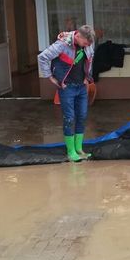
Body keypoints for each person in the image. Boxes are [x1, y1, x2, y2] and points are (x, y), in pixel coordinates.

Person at [38, 24, 96, 162]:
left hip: (81, 86)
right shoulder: (62, 44)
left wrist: (87, 77)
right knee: (69, 118)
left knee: (82, 116)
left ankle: (79, 148)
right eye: (85, 43)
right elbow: (42, 57)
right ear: (78, 36)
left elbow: (89, 61)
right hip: (67, 87)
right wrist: (50, 77)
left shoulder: (87, 45)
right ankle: (71, 151)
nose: (87, 46)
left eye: (89, 44)